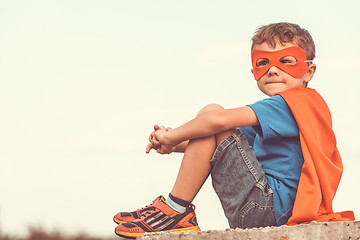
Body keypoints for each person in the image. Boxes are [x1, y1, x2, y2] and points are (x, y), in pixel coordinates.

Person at [113, 22, 355, 239]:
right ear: (254, 72)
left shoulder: (294, 102)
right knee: (212, 121)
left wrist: (173, 135)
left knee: (212, 111)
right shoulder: (278, 114)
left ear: (309, 71)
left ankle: (175, 209)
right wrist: (171, 145)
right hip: (261, 210)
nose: (272, 70)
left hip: (269, 207)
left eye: (286, 61)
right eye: (263, 62)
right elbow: (218, 143)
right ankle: (173, 211)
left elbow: (217, 121)